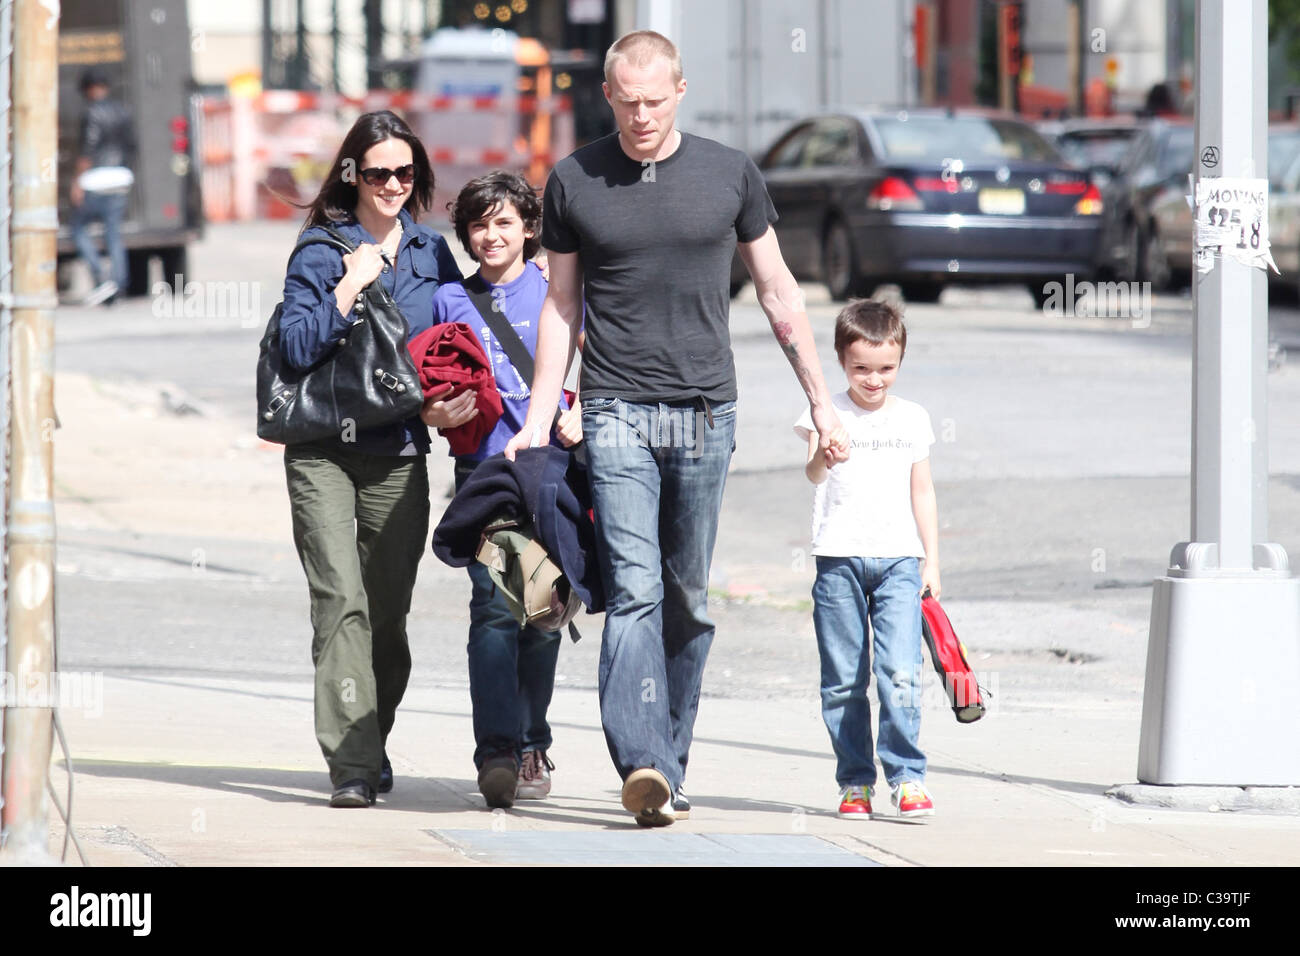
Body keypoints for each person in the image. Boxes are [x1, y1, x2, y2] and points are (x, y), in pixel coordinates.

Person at [503, 30, 848, 827]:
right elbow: (560, 304)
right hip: (617, 405)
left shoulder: (730, 173)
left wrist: (822, 401)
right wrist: (538, 413)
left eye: (655, 101)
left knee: (687, 594)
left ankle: (673, 757)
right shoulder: (573, 179)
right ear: (608, 97)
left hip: (705, 413)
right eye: (626, 103)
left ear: (681, 92)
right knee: (635, 591)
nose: (641, 116)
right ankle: (644, 763)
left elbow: (777, 289)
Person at [278, 110, 462, 808]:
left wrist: (446, 406)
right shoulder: (322, 250)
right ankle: (352, 765)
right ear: (354, 173)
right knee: (341, 604)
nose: (391, 183)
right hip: (322, 450)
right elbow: (296, 348)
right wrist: (350, 285)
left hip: (399, 452)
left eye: (404, 172)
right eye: (378, 171)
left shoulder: (430, 253)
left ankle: (370, 735)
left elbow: (451, 351)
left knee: (386, 614)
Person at [422, 171, 582, 809]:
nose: (491, 235)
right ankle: (496, 751)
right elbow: (430, 386)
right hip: (486, 479)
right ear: (464, 234)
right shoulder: (448, 301)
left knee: (542, 616)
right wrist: (435, 414)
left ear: (529, 229)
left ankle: (530, 741)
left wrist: (585, 408)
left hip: (548, 472)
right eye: (479, 225)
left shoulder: (558, 290)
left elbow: (598, 356)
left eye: (504, 222)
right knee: (494, 609)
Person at [794, 298, 940, 821]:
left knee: (900, 670)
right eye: (861, 369)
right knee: (842, 679)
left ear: (899, 362)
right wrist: (823, 454)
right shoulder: (825, 411)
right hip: (837, 559)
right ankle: (854, 782)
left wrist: (932, 561)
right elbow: (812, 476)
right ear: (841, 361)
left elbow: (922, 491)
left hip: (901, 560)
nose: (873, 380)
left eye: (885, 369)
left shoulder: (914, 418)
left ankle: (907, 777)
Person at [70, 68, 135, 306]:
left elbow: (88, 148)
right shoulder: (123, 111)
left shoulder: (91, 113)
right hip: (120, 177)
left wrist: (77, 182)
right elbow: (131, 146)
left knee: (77, 229)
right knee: (113, 233)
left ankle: (100, 276)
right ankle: (119, 283)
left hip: (96, 179)